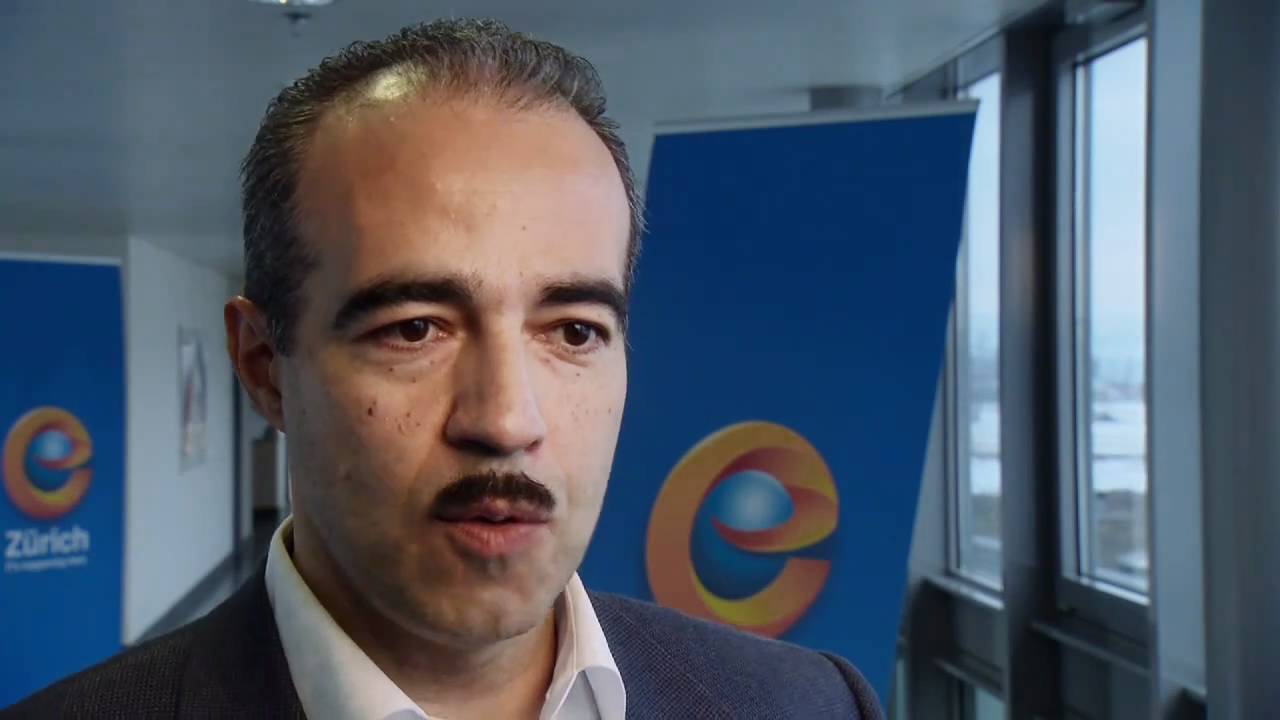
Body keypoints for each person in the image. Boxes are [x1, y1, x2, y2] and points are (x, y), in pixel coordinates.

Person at [3, 18, 881, 720]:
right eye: (415, 328)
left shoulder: (806, 705)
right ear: (265, 366)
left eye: (574, 331)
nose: (506, 420)